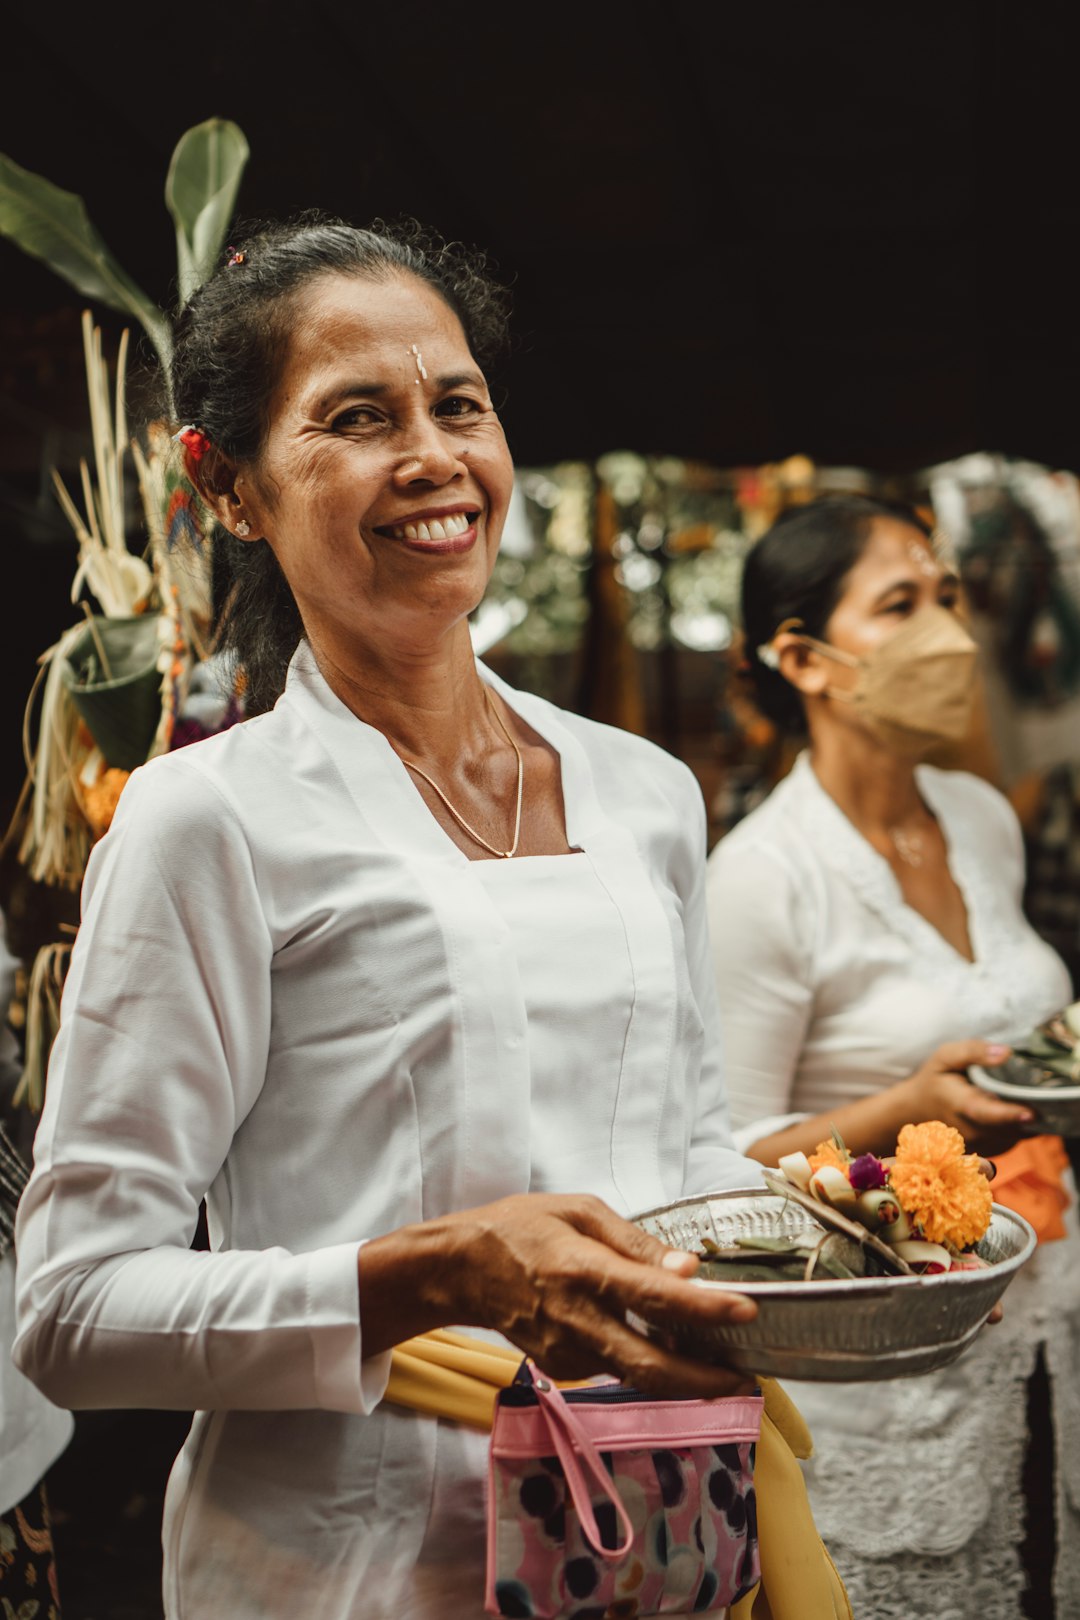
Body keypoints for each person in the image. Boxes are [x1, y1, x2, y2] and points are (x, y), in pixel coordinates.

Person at [12, 219, 767, 1620]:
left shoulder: (645, 791)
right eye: (357, 417)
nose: (434, 458)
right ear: (225, 485)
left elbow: (691, 1154)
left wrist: (857, 1246)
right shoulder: (207, 823)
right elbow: (70, 1314)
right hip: (345, 1570)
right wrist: (425, 1281)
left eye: (458, 404)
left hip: (657, 1536)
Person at [705, 496, 1080, 1619]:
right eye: (903, 604)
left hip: (1042, 1314)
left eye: (950, 596)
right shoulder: (763, 878)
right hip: (882, 1359)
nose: (951, 633)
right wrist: (909, 1109)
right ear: (804, 659)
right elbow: (723, 1161)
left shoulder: (977, 815)